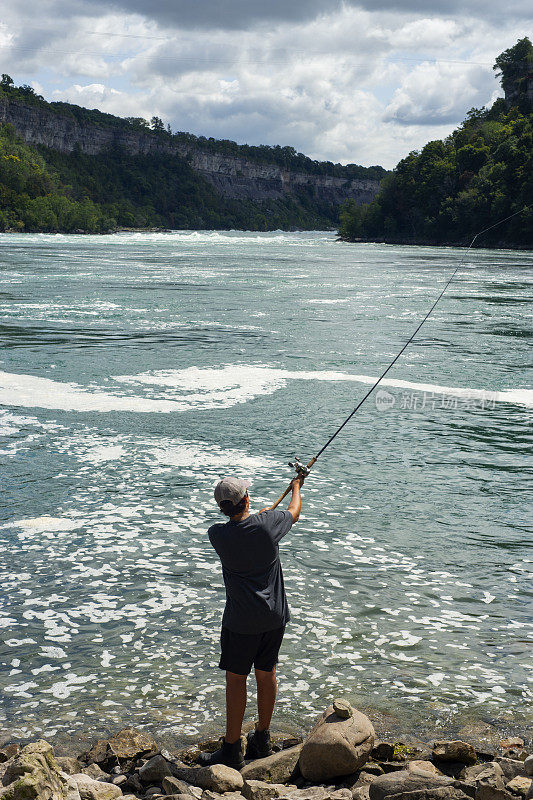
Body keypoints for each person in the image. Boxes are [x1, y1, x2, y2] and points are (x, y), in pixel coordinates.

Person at [198, 473, 305, 769]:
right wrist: (296, 487)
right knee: (266, 673)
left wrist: (257, 519)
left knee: (236, 680)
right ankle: (262, 738)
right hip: (272, 617)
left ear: (222, 508)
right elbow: (294, 512)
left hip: (240, 621)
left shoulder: (217, 535)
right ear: (247, 498)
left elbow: (243, 529)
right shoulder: (268, 525)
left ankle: (232, 748)